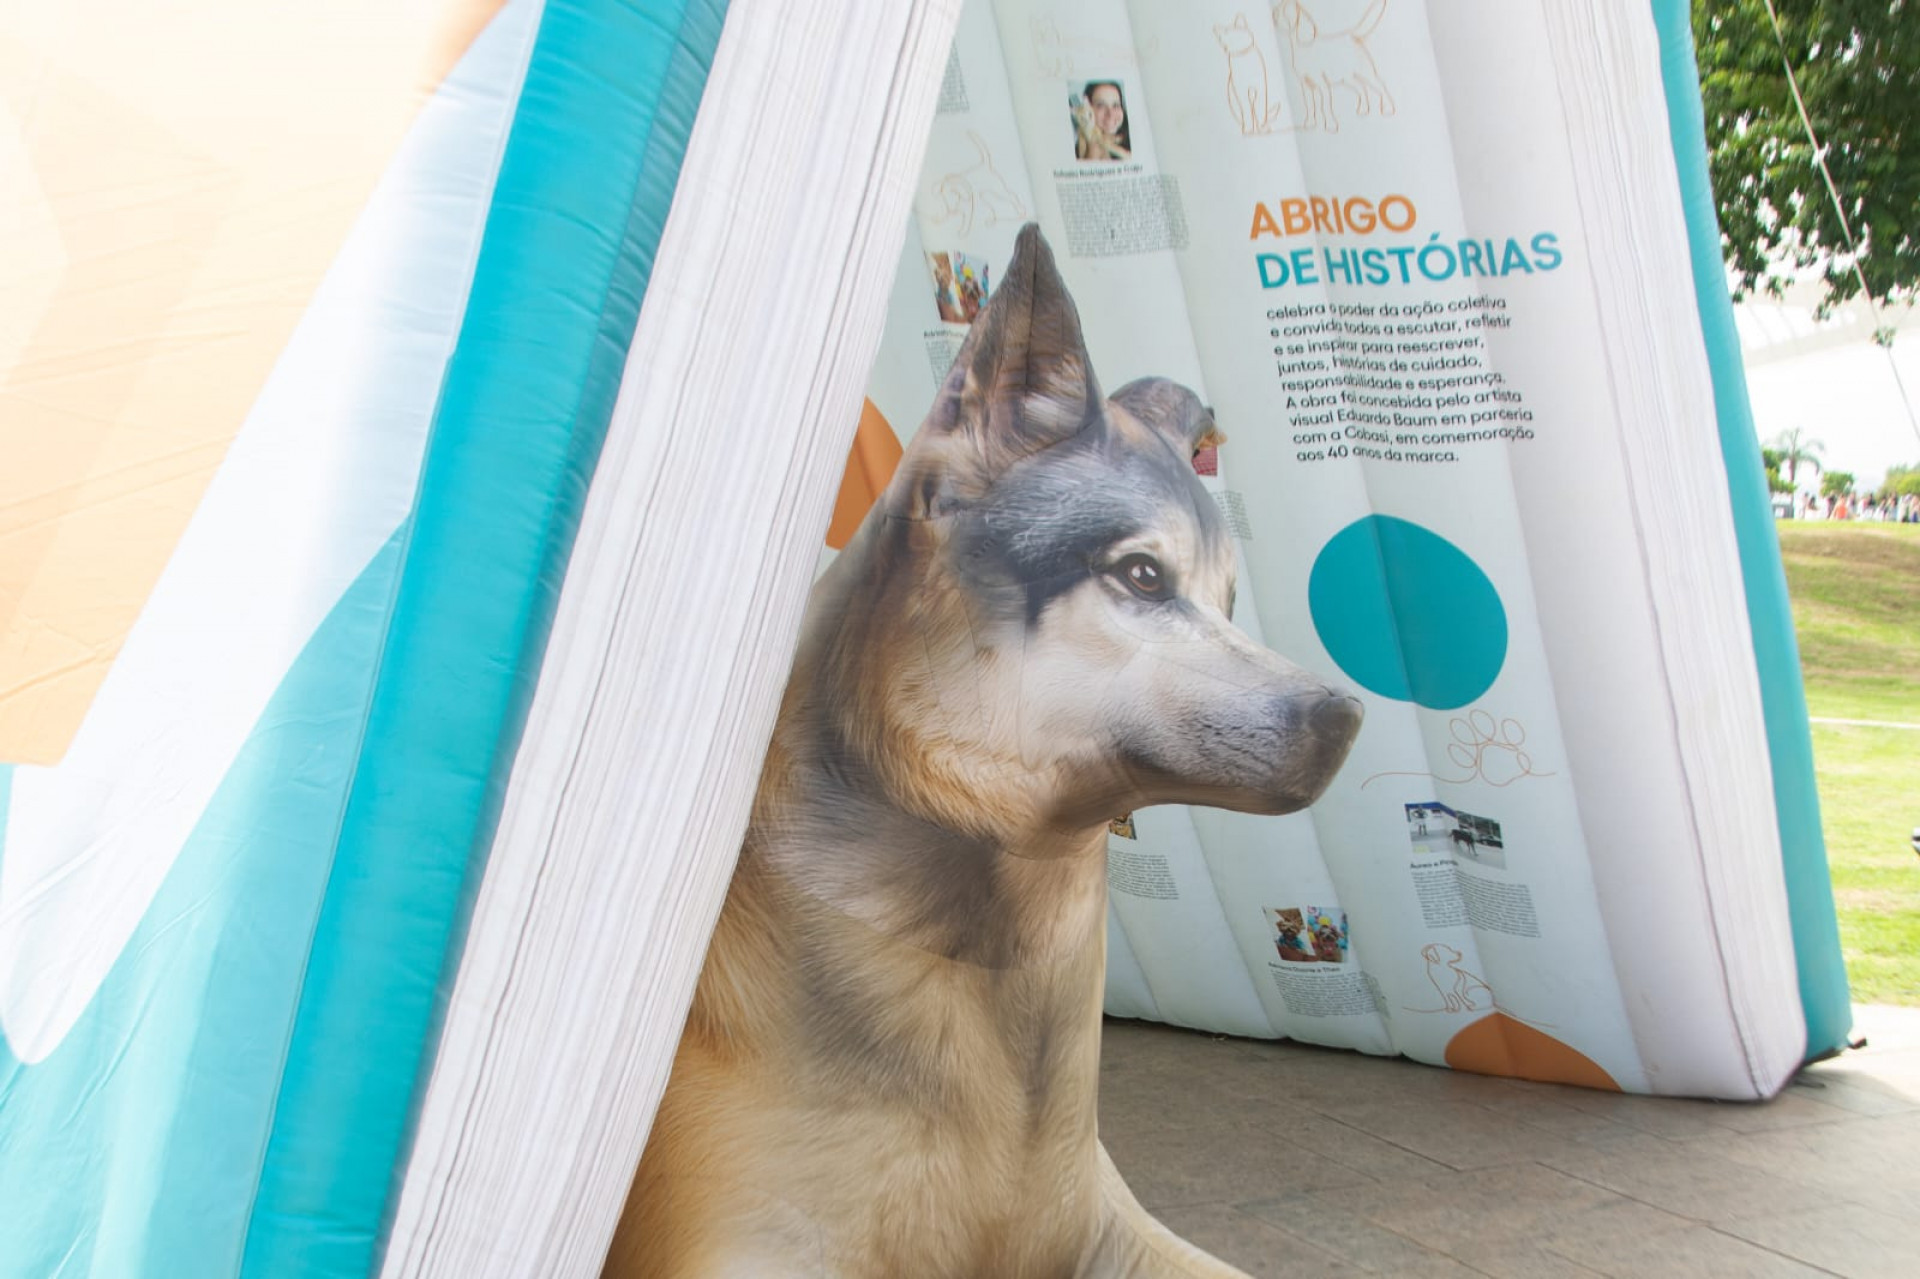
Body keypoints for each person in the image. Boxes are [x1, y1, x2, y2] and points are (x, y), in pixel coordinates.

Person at [1072, 79, 1131, 161]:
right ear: (1088, 107)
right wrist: (1092, 142)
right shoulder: (1076, 149)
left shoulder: (1134, 138)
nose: (1110, 114)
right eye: (1101, 105)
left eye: (1116, 105)